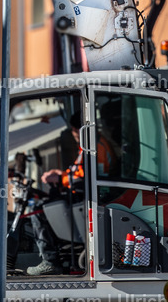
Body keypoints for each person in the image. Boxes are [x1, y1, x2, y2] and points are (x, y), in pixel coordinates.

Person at [27, 110, 115, 276]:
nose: (74, 135)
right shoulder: (90, 146)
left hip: (94, 198)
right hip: (85, 195)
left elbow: (88, 177)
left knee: (38, 211)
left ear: (80, 130)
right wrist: (60, 175)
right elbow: (78, 172)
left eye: (74, 131)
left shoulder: (96, 147)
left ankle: (50, 261)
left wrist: (60, 179)